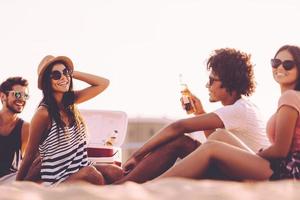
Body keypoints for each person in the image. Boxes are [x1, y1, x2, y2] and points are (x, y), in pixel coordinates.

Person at [116, 48, 269, 183]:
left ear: (229, 82)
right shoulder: (243, 108)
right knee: (185, 143)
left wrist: (137, 155)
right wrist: (200, 113)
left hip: (246, 176)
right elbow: (217, 142)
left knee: (180, 142)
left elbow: (179, 126)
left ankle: (129, 186)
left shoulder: (240, 109)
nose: (207, 86)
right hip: (237, 170)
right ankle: (128, 183)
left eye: (212, 80)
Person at [156, 44, 300, 181]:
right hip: (284, 167)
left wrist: (257, 156)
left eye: (287, 64)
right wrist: (200, 112)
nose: (280, 67)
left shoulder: (289, 97)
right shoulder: (290, 98)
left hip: (288, 172)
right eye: (275, 62)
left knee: (210, 147)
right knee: (219, 135)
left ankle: (152, 187)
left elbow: (280, 150)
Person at [16, 55, 123, 185]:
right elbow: (29, 155)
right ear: (46, 82)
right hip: (58, 178)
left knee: (116, 172)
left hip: (80, 166)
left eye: (65, 72)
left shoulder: (71, 101)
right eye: (56, 75)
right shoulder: (43, 113)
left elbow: (103, 83)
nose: (63, 77)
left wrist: (72, 73)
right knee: (93, 175)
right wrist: (18, 185)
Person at [0, 77, 30, 178]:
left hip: (10, 182)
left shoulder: (26, 128)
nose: (22, 99)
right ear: (3, 96)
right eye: (17, 94)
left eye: (25, 96)